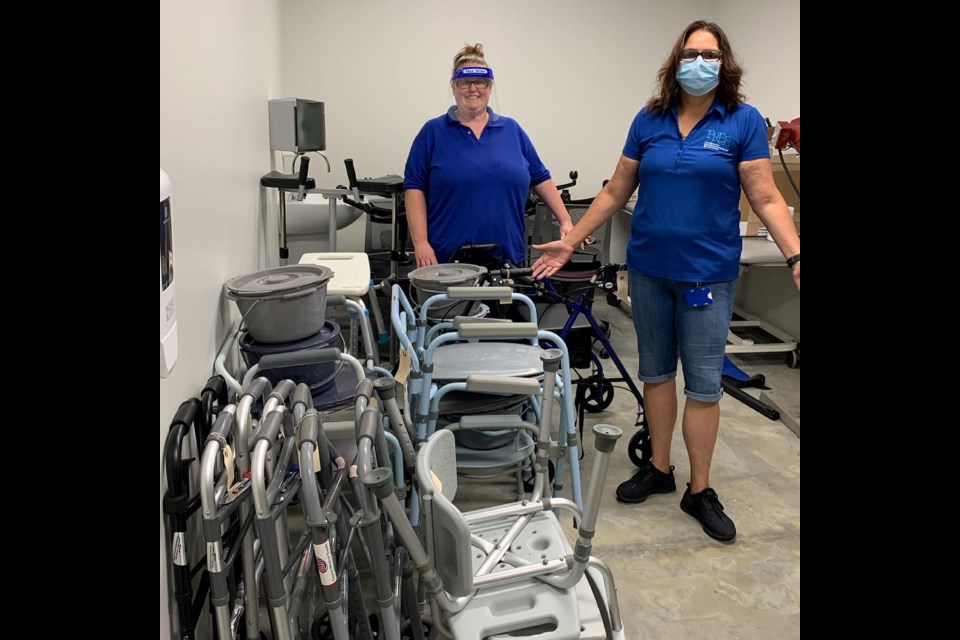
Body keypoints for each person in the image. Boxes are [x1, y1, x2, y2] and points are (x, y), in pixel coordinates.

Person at [531, 20, 800, 542]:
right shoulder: (648, 119)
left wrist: (795, 252)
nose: (701, 63)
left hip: (707, 276)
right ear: (676, 61)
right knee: (655, 373)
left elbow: (767, 197)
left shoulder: (741, 122)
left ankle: (699, 490)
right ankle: (659, 467)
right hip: (650, 269)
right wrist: (573, 238)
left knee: (702, 384)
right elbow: (615, 190)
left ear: (724, 65)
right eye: (692, 53)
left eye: (711, 54)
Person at [404, 43, 573, 269]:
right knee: (452, 306)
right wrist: (421, 243)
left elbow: (541, 178)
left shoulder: (512, 130)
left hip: (506, 257)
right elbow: (414, 187)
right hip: (447, 257)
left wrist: (566, 221)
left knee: (505, 304)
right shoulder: (432, 132)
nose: (473, 89)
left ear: (490, 87)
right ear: (454, 87)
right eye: (464, 82)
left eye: (481, 82)